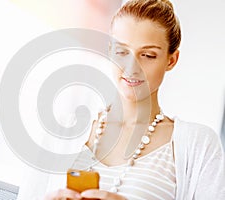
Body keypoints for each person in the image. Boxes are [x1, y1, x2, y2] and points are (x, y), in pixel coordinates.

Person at [43, 0, 225, 199]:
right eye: (122, 52)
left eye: (148, 55)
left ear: (171, 60)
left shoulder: (199, 145)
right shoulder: (65, 127)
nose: (132, 67)